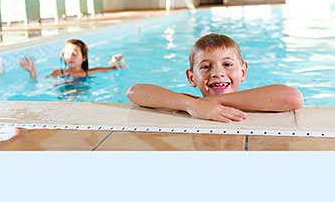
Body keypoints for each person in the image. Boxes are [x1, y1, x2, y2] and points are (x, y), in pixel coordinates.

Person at [126, 33, 303, 123]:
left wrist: (215, 101)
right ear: (191, 77)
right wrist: (193, 105)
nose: (217, 73)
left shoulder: (256, 101)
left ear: (243, 72)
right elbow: (135, 91)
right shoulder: (191, 103)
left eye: (227, 64)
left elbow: (293, 97)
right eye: (205, 67)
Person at [20, 39, 126, 78]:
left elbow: (119, 68)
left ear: (84, 57)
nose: (70, 57)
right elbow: (38, 82)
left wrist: (117, 61)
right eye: (67, 53)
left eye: (74, 54)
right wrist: (32, 70)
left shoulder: (89, 72)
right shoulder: (58, 73)